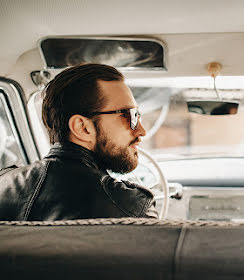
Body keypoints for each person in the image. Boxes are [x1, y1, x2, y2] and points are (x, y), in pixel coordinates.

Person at [0, 63, 158, 220]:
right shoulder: (132, 208)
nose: (141, 131)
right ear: (83, 128)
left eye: (137, 115)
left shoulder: (4, 185)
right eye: (129, 115)